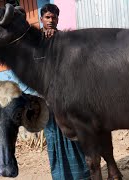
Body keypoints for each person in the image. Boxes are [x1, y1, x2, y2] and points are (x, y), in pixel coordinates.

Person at [40, 4, 91, 180]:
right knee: (54, 139)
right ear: (41, 19)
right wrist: (45, 43)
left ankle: (81, 176)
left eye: (54, 17)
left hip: (68, 99)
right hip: (48, 100)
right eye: (47, 17)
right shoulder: (36, 42)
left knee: (74, 136)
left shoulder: (66, 39)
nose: (51, 20)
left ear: (58, 19)